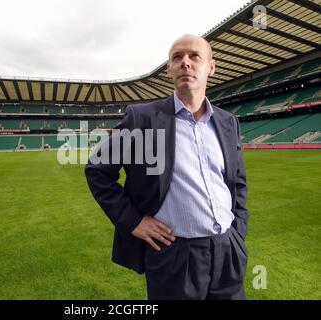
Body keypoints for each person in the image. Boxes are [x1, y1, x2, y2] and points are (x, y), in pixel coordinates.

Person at [85, 34, 248, 300]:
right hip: (176, 258)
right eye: (177, 57)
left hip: (228, 252)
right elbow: (97, 170)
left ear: (211, 67)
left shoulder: (228, 122)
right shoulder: (143, 119)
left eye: (194, 56)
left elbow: (237, 182)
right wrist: (133, 221)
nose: (185, 62)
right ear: (170, 70)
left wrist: (238, 233)